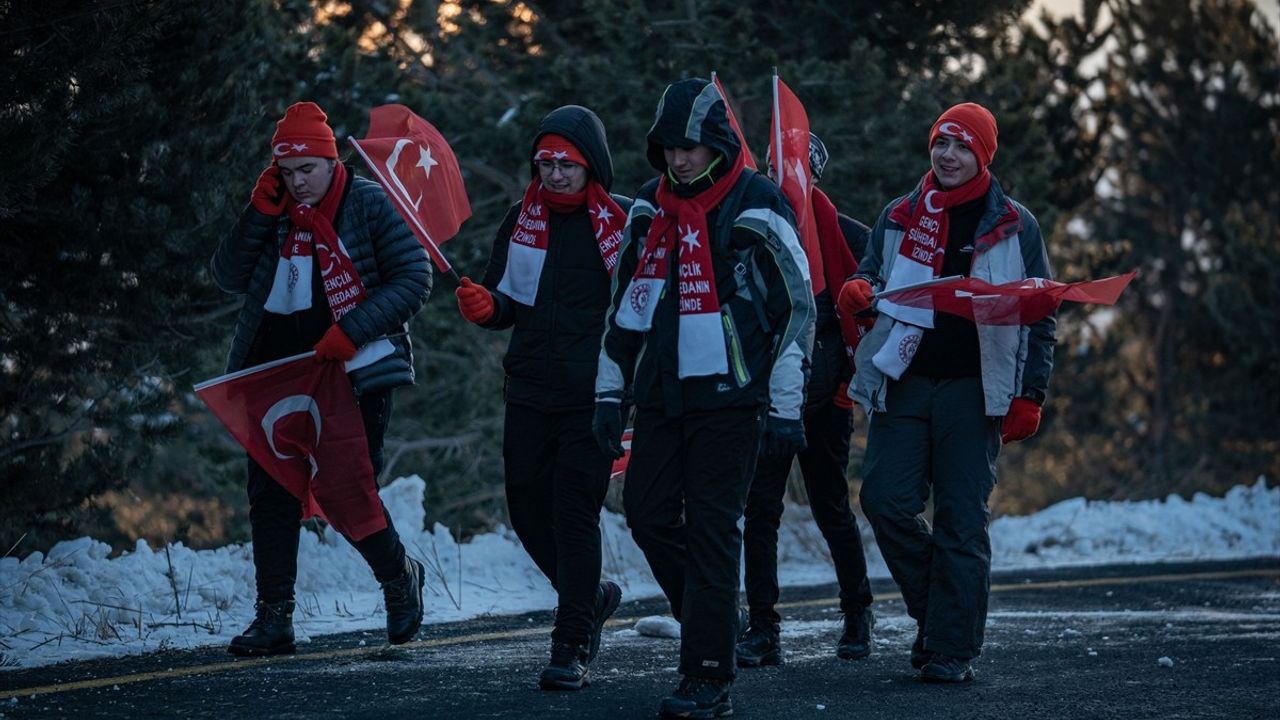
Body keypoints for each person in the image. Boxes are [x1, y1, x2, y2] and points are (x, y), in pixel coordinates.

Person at [594, 78, 814, 719]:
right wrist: (610, 395)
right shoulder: (647, 209)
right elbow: (622, 307)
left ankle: (708, 675)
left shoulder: (757, 203)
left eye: (690, 146)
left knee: (717, 529)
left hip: (734, 395)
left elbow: (795, 312)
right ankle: (712, 617)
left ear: (717, 142)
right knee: (647, 511)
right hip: (663, 391)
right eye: (667, 148)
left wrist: (785, 406)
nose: (679, 160)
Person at [841, 102, 1056, 683]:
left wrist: (1030, 392)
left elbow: (1040, 314)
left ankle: (950, 649)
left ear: (982, 155)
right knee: (884, 500)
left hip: (973, 389)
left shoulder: (1014, 223)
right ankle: (943, 617)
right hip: (904, 380)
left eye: (962, 146)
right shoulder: (900, 215)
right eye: (941, 143)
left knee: (961, 518)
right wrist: (859, 291)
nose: (948, 156)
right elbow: (873, 280)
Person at [212, 101, 432, 656]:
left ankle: (399, 577)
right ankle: (274, 617)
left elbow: (414, 278)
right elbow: (227, 276)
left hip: (351, 367)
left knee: (345, 488)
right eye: (286, 171)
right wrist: (259, 215)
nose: (297, 182)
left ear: (331, 161)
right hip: (276, 370)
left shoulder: (367, 202)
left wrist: (352, 330)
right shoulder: (277, 208)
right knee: (270, 492)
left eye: (306, 169)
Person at [453, 105, 627, 691]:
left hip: (594, 396)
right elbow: (507, 301)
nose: (553, 174)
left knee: (573, 513)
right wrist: (486, 307)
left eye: (566, 164)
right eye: (544, 162)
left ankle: (571, 642)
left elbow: (639, 310)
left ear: (590, 165)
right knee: (528, 511)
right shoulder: (520, 218)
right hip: (528, 389)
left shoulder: (620, 224)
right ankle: (593, 597)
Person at [737, 132, 877, 667]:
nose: (785, 179)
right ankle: (763, 627)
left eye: (795, 170)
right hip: (770, 393)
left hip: (825, 396)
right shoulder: (752, 226)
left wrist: (850, 380)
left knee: (829, 505)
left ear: (815, 173)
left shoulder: (846, 233)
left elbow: (874, 309)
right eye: (775, 169)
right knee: (761, 509)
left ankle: (858, 612)